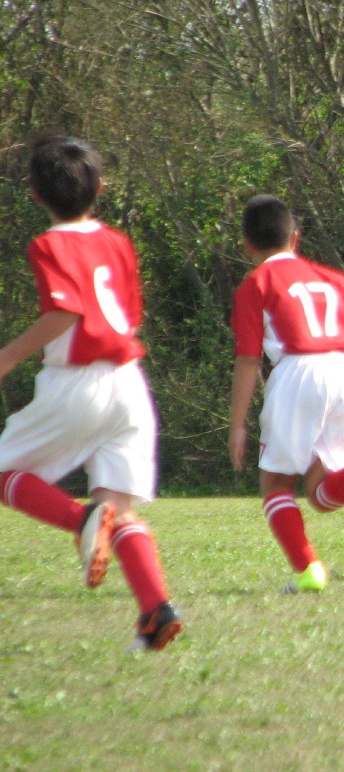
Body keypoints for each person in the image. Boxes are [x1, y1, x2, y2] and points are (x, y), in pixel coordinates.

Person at [0, 135, 182, 651]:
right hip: (128, 384)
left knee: (5, 473)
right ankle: (156, 611)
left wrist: (8, 357)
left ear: (36, 194)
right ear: (101, 187)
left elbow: (66, 312)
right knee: (117, 509)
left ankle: (80, 519)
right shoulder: (118, 242)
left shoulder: (49, 244)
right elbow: (129, 314)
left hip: (77, 383)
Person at [229, 194, 344, 594]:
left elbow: (249, 360)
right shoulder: (331, 279)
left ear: (247, 245)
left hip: (298, 371)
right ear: (295, 237)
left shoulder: (256, 283)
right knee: (320, 493)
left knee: (276, 484)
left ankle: (307, 571)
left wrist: (237, 425)